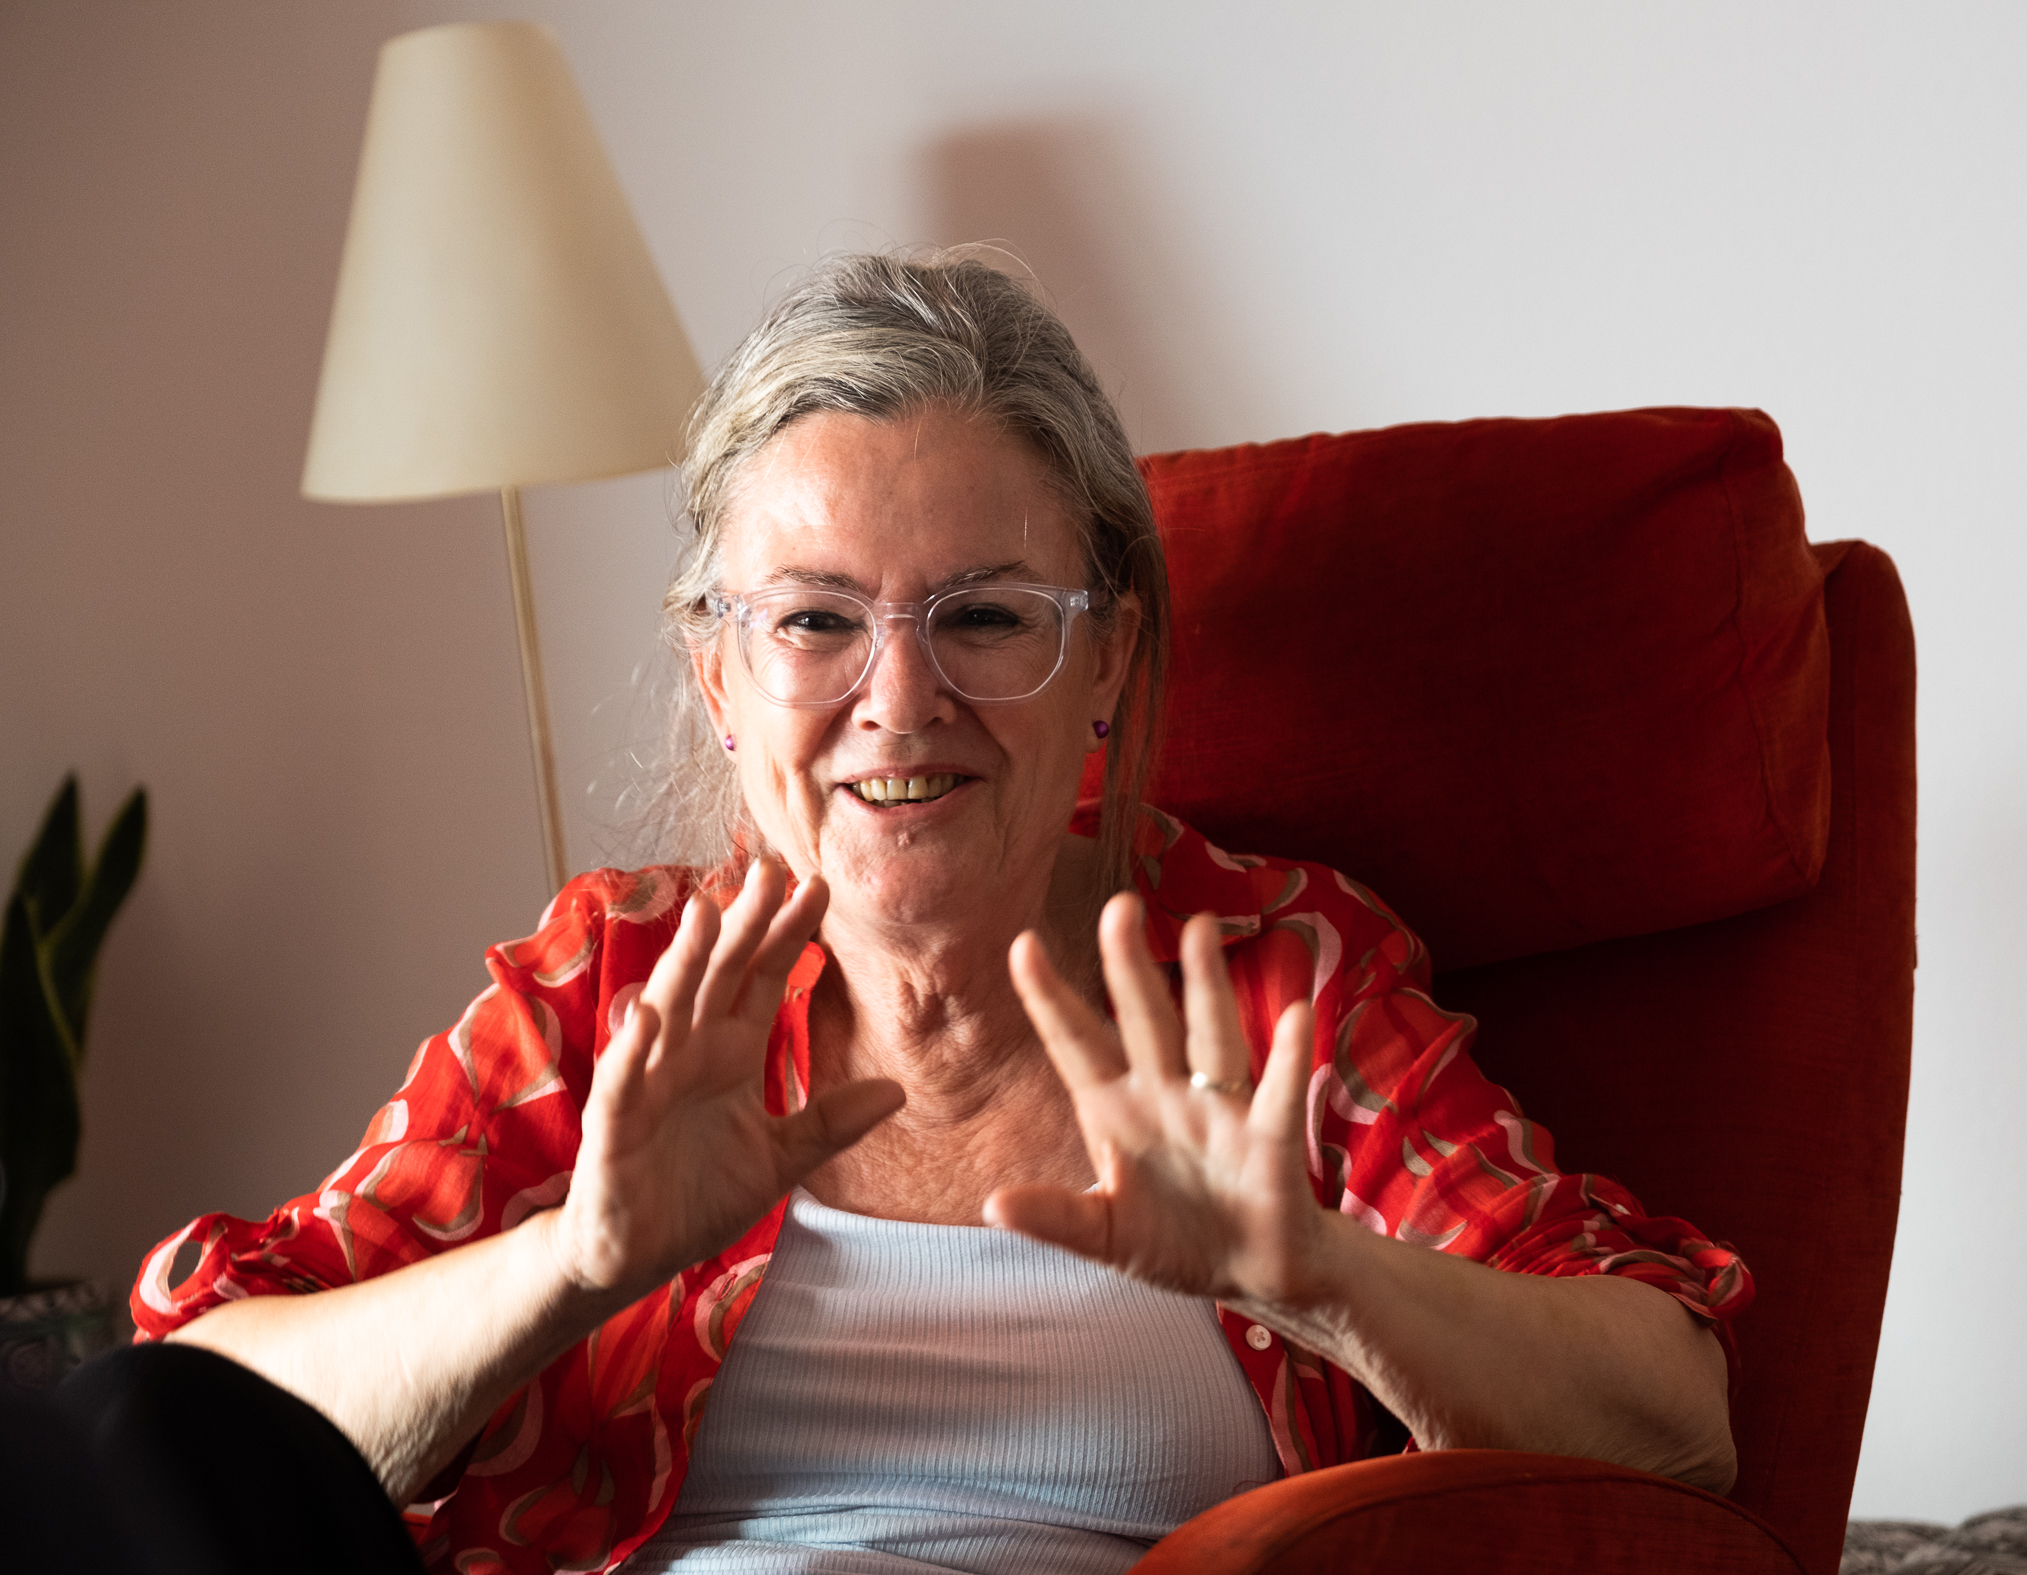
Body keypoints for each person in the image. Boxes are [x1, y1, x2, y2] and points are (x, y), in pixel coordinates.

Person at [127, 251, 1752, 1575]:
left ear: (1106, 656)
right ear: (719, 678)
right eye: (814, 622)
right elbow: (186, 1409)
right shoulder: (619, 984)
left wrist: (1323, 1276)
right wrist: (574, 1262)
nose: (898, 702)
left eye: (982, 616)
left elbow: (1676, 1420)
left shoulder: (1263, 980)